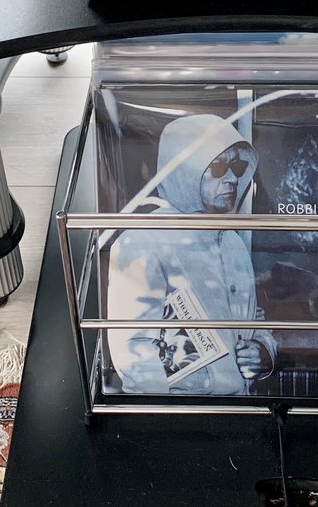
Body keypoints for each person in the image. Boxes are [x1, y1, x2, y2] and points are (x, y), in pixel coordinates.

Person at [107, 114, 276, 395]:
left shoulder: (232, 242)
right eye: (219, 168)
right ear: (185, 170)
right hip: (185, 410)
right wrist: (168, 415)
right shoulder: (141, 241)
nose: (233, 178)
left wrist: (262, 351)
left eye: (237, 166)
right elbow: (134, 351)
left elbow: (253, 318)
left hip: (241, 407)